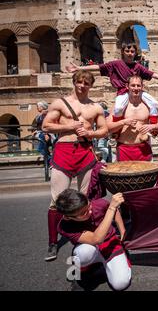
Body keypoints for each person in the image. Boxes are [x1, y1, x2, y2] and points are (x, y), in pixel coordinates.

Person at [42, 70, 108, 261]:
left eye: (86, 83)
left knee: (84, 199)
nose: (82, 86)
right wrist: (69, 127)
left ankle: (84, 235)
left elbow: (103, 130)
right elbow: (46, 126)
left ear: (91, 85)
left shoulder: (95, 107)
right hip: (64, 152)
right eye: (79, 82)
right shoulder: (60, 103)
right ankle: (53, 242)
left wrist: (91, 134)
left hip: (85, 153)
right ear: (74, 82)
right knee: (56, 200)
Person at [66, 42, 158, 122]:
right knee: (118, 108)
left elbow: (152, 74)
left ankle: (153, 125)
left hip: (137, 91)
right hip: (123, 92)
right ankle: (117, 128)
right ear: (123, 52)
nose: (130, 53)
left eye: (132, 51)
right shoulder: (115, 64)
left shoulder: (138, 66)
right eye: (127, 51)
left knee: (154, 103)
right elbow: (98, 67)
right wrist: (79, 68)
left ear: (135, 53)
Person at [55, 189, 131, 291]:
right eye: (83, 213)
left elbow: (115, 210)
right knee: (84, 253)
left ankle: (102, 265)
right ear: (68, 217)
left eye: (89, 204)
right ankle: (80, 273)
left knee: (121, 284)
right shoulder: (64, 226)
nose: (90, 211)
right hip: (90, 246)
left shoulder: (99, 203)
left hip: (110, 243)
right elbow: (96, 239)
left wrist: (122, 229)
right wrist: (111, 208)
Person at [107, 75, 158, 161]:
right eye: (133, 85)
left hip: (143, 148)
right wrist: (123, 122)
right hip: (124, 148)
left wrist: (152, 126)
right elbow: (107, 127)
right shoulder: (119, 106)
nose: (136, 88)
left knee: (147, 174)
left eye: (138, 85)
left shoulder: (148, 106)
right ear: (127, 86)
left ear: (142, 87)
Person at [33, 101, 54, 166]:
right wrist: (36, 131)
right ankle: (48, 163)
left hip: (46, 134)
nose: (37, 108)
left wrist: (45, 134)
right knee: (45, 149)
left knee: (41, 149)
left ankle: (50, 161)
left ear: (42, 107)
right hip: (42, 134)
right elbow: (40, 126)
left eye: (38, 106)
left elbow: (46, 125)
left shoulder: (45, 114)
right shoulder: (40, 115)